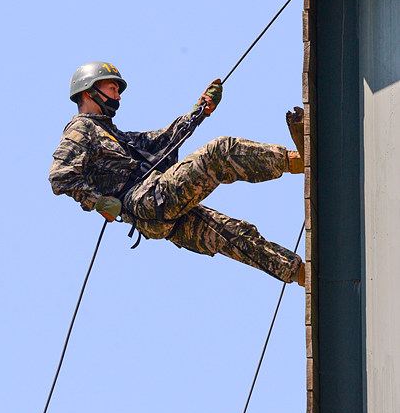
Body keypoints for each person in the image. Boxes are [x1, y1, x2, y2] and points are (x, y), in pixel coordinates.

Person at [49, 62, 305, 285]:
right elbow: (61, 175)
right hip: (147, 200)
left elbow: (163, 140)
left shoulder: (115, 135)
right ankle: (297, 162)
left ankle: (301, 274)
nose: (118, 96)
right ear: (89, 90)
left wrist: (200, 110)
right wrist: (99, 202)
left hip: (153, 217)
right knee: (221, 151)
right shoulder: (81, 128)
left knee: (233, 234)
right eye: (112, 88)